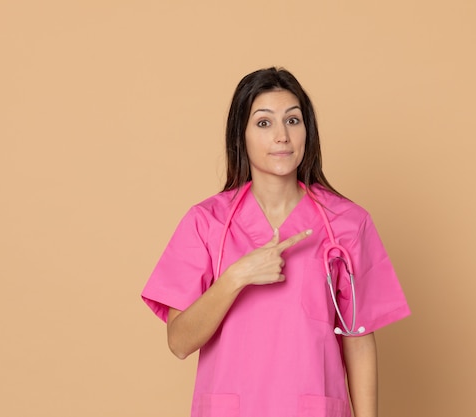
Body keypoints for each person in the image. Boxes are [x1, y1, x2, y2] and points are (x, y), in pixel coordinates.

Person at [141, 67, 410, 417]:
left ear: (307, 132)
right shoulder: (206, 222)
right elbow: (179, 342)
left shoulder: (347, 223)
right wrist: (236, 277)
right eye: (264, 123)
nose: (281, 136)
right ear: (241, 135)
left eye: (293, 121)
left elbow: (357, 341)